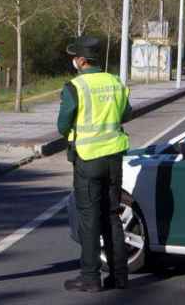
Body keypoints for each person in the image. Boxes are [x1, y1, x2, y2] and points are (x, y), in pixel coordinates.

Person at [58, 36, 132, 292]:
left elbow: (62, 124)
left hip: (88, 159)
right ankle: (119, 276)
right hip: (114, 158)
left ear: (81, 60)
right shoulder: (115, 83)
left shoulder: (75, 87)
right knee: (112, 216)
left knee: (89, 220)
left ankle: (90, 278)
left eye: (74, 58)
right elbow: (127, 113)